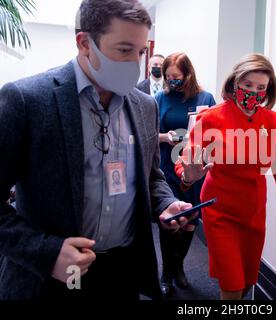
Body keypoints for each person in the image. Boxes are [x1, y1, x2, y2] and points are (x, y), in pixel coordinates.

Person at [0, 0, 196, 300]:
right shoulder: (27, 101)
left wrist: (165, 203)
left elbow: (152, 175)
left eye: (140, 52)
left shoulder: (145, 106)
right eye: (123, 50)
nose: (135, 64)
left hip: (122, 269)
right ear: (84, 43)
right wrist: (46, 252)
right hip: (53, 276)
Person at [175, 53, 276, 300]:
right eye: (247, 86)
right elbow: (185, 161)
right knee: (232, 283)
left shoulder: (273, 121)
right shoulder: (211, 117)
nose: (253, 93)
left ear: (269, 91)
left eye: (260, 88)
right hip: (220, 211)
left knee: (247, 280)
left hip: (254, 212)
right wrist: (188, 177)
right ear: (235, 82)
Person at [153, 52, 216, 297]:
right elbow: (149, 132)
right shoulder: (160, 98)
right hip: (167, 168)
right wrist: (164, 137)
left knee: (190, 220)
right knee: (170, 220)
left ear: (188, 74)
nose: (171, 81)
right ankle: (166, 272)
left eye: (176, 76)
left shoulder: (205, 98)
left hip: (194, 169)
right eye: (168, 77)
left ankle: (179, 267)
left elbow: (214, 134)